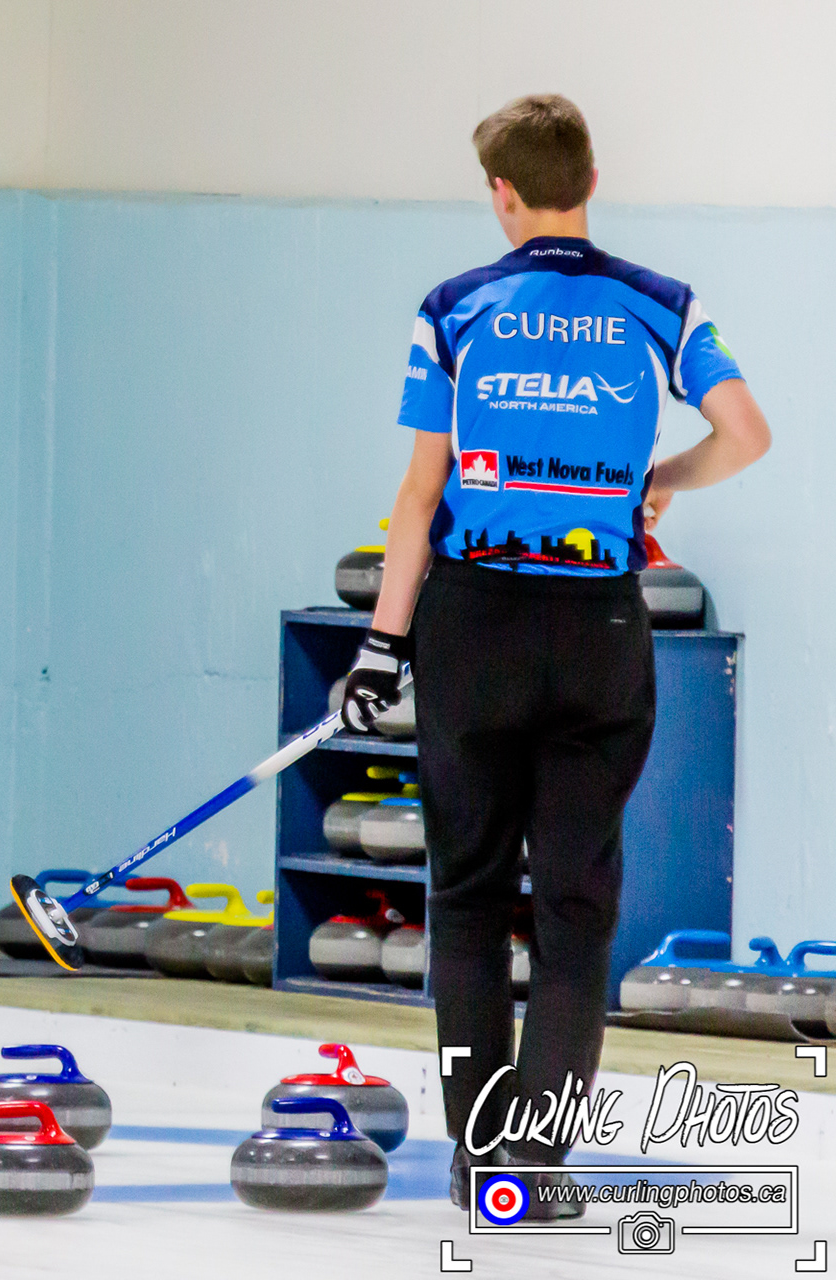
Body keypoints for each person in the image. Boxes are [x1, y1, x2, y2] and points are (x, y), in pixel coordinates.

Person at [340, 95, 769, 1210]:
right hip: (599, 630)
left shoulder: (454, 308)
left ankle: (477, 1151)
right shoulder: (660, 303)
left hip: (474, 625)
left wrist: (381, 646)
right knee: (577, 906)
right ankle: (536, 1160)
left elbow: (417, 497)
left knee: (468, 898)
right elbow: (747, 433)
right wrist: (660, 480)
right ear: (590, 182)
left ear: (503, 194)